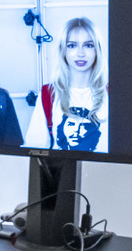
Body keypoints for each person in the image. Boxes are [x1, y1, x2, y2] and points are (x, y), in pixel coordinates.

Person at [23, 17, 109, 153]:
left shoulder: (113, 94)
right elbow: (35, 150)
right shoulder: (48, 94)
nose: (80, 53)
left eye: (88, 45)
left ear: (97, 49)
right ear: (63, 50)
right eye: (72, 46)